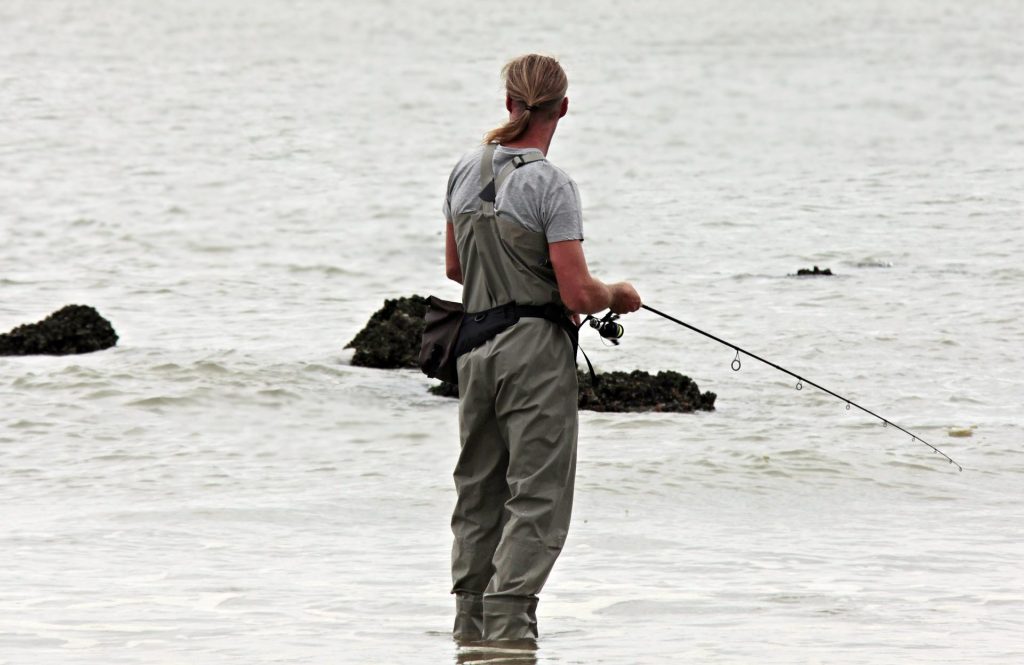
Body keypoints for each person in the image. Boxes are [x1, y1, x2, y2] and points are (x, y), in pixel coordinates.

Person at [442, 53, 641, 643]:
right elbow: (579, 292)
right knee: (538, 496)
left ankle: (469, 631)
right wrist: (620, 295)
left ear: (509, 102)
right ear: (563, 108)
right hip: (533, 352)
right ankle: (508, 632)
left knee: (478, 492)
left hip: (473, 349)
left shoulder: (462, 170)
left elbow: (456, 269)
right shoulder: (550, 183)